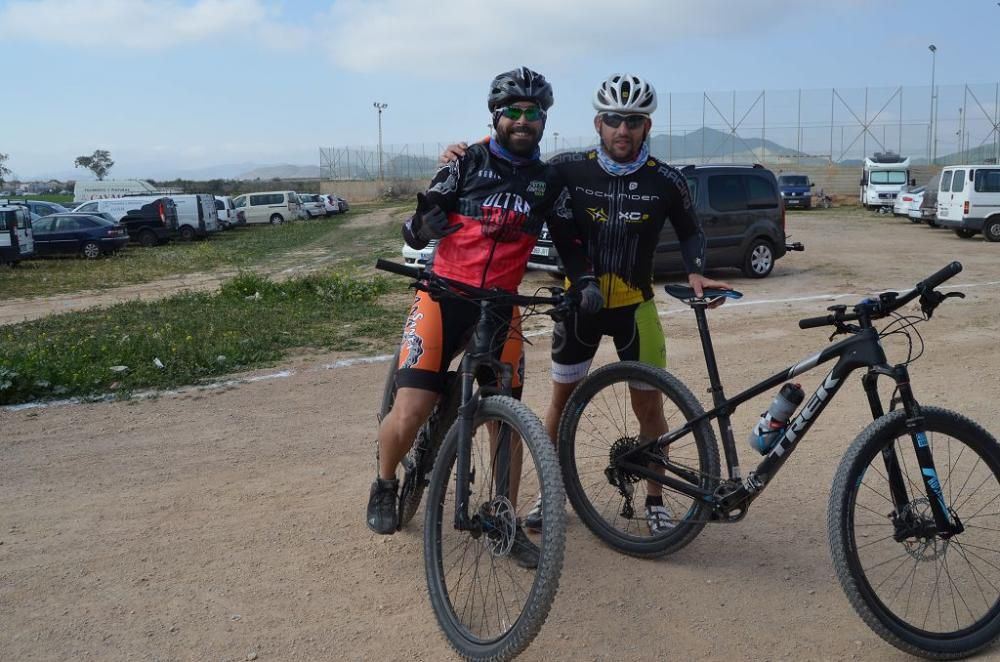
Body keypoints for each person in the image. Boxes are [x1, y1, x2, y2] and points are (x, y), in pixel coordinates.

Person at [440, 73, 731, 536]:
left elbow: (692, 229)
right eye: (614, 119)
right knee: (561, 403)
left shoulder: (666, 180)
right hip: (580, 304)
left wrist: (696, 268)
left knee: (649, 408)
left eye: (634, 121)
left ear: (646, 128)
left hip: (636, 305)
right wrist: (463, 151)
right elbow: (512, 155)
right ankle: (549, 497)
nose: (623, 130)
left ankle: (655, 496)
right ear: (598, 122)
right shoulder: (568, 169)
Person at [368, 67, 602, 570]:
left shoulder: (547, 181)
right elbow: (418, 222)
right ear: (496, 116)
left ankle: (504, 517)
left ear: (544, 120)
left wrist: (584, 283)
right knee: (410, 411)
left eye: (532, 113)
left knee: (506, 423)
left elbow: (569, 243)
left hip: (500, 305)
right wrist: (419, 226)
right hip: (443, 296)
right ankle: (385, 481)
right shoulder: (466, 162)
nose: (523, 120)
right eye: (513, 111)